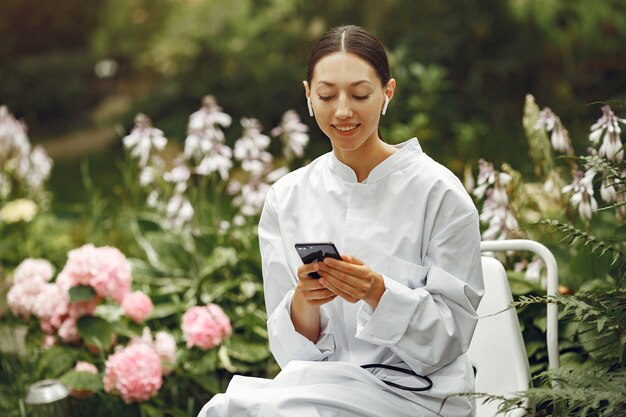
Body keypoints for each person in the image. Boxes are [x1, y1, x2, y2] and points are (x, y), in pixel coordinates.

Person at [198, 25, 484, 417]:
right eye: (328, 95)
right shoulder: (288, 197)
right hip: (322, 388)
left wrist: (377, 292)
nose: (343, 111)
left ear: (388, 93)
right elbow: (288, 353)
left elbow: (451, 336)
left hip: (418, 395)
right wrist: (305, 301)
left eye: (360, 94)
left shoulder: (439, 193)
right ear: (308, 96)